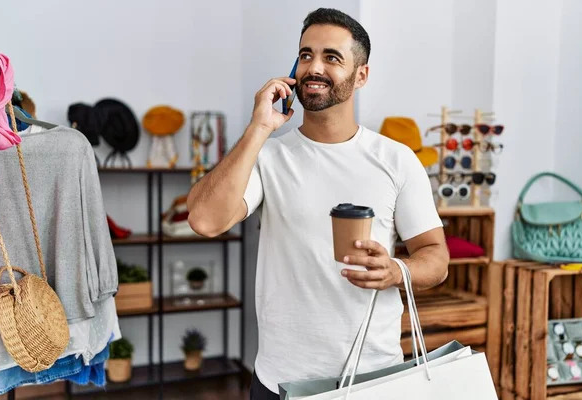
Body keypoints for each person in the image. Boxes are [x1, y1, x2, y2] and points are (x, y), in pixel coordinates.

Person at [186, 7, 450, 400]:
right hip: (282, 381)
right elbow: (204, 221)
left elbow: (436, 258)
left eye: (332, 57)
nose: (315, 67)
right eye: (306, 54)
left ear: (361, 75)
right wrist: (259, 128)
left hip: (373, 378)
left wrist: (396, 270)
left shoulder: (396, 159)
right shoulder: (268, 156)